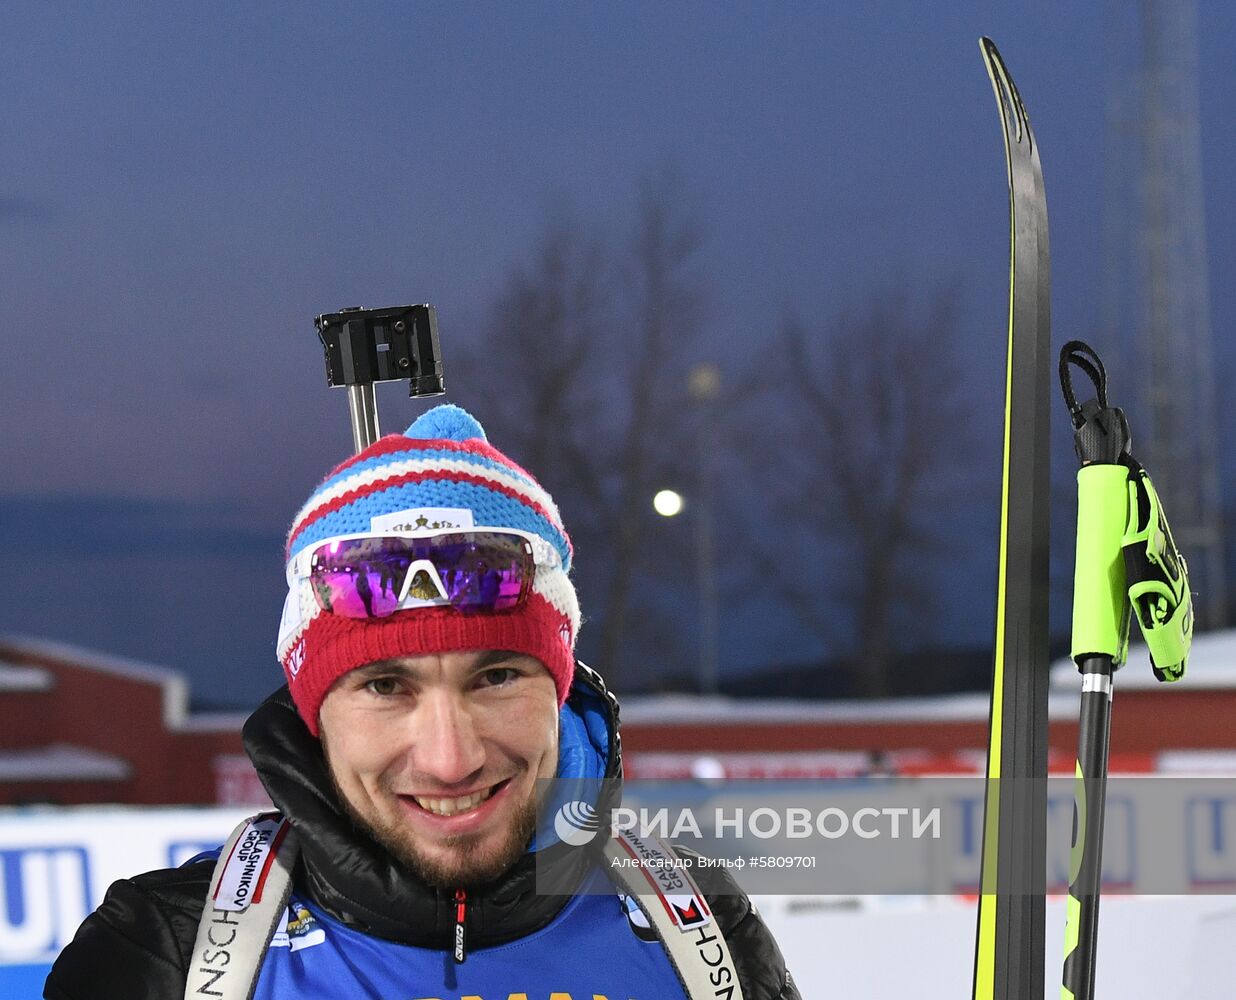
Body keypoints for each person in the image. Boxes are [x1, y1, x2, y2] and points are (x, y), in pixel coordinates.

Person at [45, 404, 799, 999]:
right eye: (385, 687)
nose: (450, 759)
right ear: (314, 716)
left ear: (560, 688)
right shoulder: (162, 953)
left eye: (496, 677)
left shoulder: (698, 934)